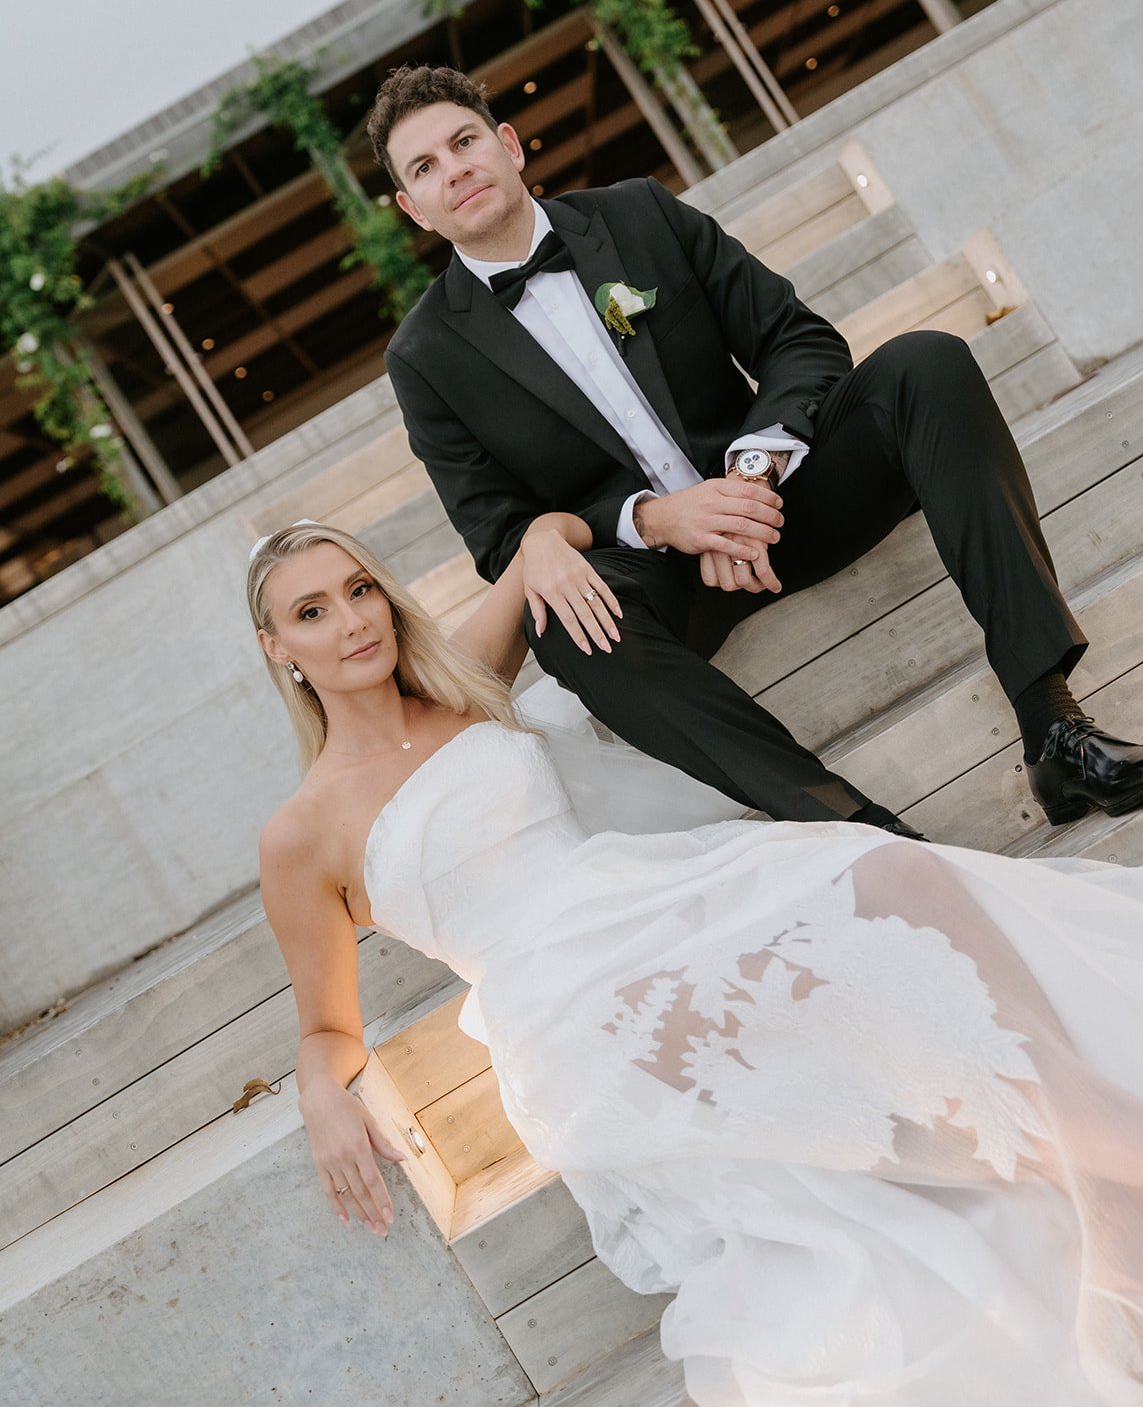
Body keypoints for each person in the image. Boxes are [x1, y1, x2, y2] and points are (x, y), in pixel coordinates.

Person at [250, 517, 1143, 1406]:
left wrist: (547, 545)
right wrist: (320, 1090)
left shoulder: (459, 684)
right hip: (562, 1004)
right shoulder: (300, 833)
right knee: (806, 993)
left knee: (886, 867)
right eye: (313, 612)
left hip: (644, 897)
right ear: (278, 647)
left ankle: (1090, 1157)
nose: (352, 621)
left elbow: (544, 538)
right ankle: (1107, 1164)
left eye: (360, 590)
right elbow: (326, 1025)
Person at [366, 63, 1143, 836]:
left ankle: (1050, 727)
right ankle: (855, 827)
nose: (454, 170)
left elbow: (794, 339)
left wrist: (749, 475)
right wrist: (661, 520)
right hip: (665, 585)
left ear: (508, 143)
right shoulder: (425, 357)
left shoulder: (640, 213)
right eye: (425, 168)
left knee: (925, 364)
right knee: (561, 625)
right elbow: (499, 535)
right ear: (413, 209)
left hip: (786, 505)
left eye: (463, 141)